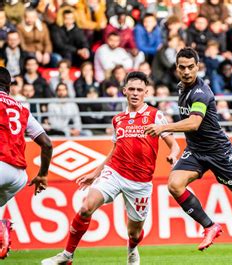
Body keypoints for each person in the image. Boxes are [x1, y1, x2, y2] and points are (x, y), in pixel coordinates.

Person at [143, 47, 232, 258]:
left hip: (219, 152)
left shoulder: (201, 93)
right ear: (176, 68)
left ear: (198, 67)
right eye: (182, 67)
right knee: (174, 184)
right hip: (196, 151)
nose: (186, 71)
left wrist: (163, 128)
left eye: (190, 67)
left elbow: (194, 123)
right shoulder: (181, 87)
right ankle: (210, 226)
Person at [41, 72, 180, 265]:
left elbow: (174, 144)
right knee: (85, 207)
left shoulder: (155, 115)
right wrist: (95, 173)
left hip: (140, 182)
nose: (135, 93)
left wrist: (173, 154)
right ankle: (67, 255)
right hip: (115, 172)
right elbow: (115, 150)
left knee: (134, 232)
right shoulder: (118, 119)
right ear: (124, 91)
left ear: (146, 92)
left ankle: (132, 249)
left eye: (139, 90)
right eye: (131, 89)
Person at [0, 66, 52, 258]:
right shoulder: (22, 109)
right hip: (19, 176)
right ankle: (2, 230)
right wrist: (43, 175)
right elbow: (47, 144)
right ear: (10, 86)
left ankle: (1, 228)